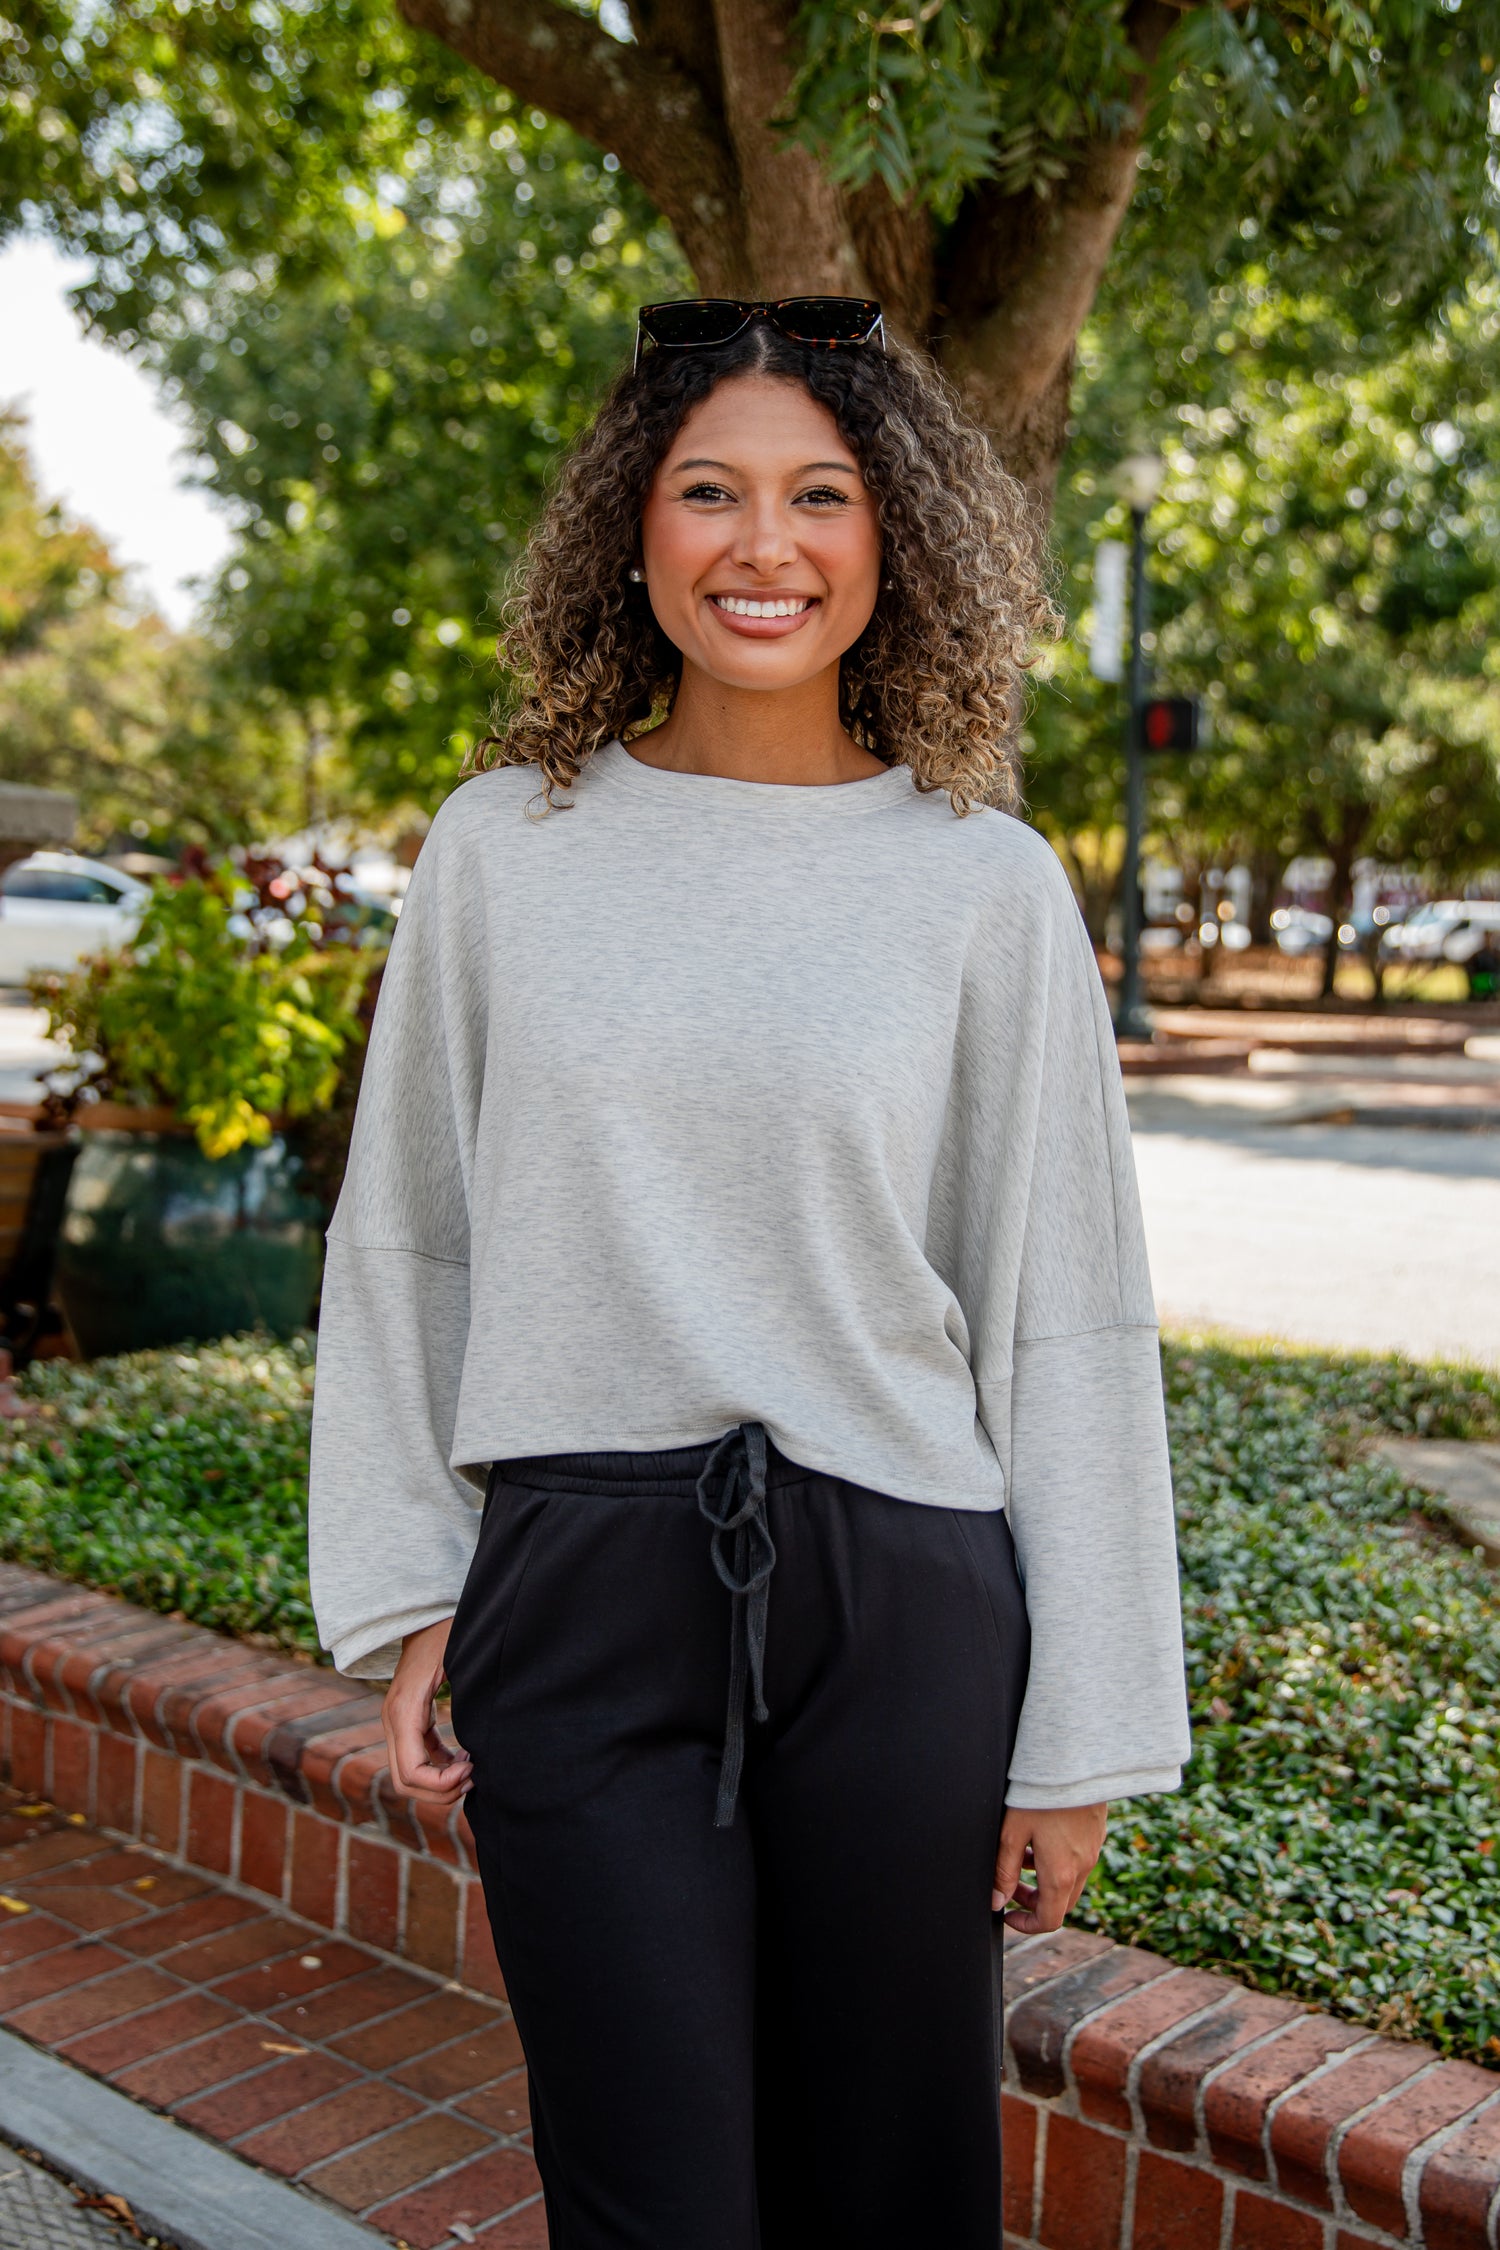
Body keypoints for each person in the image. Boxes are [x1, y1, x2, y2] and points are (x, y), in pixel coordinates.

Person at [308, 296, 1190, 2250]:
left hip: (905, 1608)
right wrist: (406, 1588)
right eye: (710, 491)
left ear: (899, 544)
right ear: (634, 530)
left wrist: (1083, 1731)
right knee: (658, 2205)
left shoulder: (986, 887)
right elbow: (410, 1238)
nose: (763, 544)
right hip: (585, 1594)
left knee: (890, 2191)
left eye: (822, 495)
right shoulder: (501, 851)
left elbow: (1063, 1315)